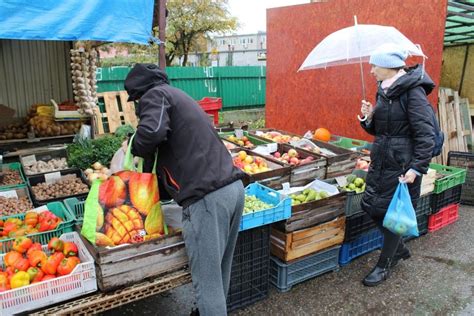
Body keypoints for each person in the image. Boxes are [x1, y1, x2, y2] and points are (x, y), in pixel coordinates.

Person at [124, 63, 245, 315]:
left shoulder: (155, 95)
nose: (138, 105)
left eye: (136, 99)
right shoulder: (177, 96)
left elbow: (152, 133)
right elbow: (169, 153)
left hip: (207, 199)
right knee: (219, 273)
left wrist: (133, 145)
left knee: (207, 284)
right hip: (232, 190)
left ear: (139, 92)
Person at [359, 45, 435, 287]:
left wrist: (416, 169)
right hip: (382, 160)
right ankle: (399, 248)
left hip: (403, 166)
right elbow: (380, 131)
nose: (371, 70)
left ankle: (384, 265)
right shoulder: (383, 90)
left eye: (374, 65)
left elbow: (426, 135)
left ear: (389, 66)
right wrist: (368, 117)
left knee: (394, 216)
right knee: (370, 205)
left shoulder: (413, 92)